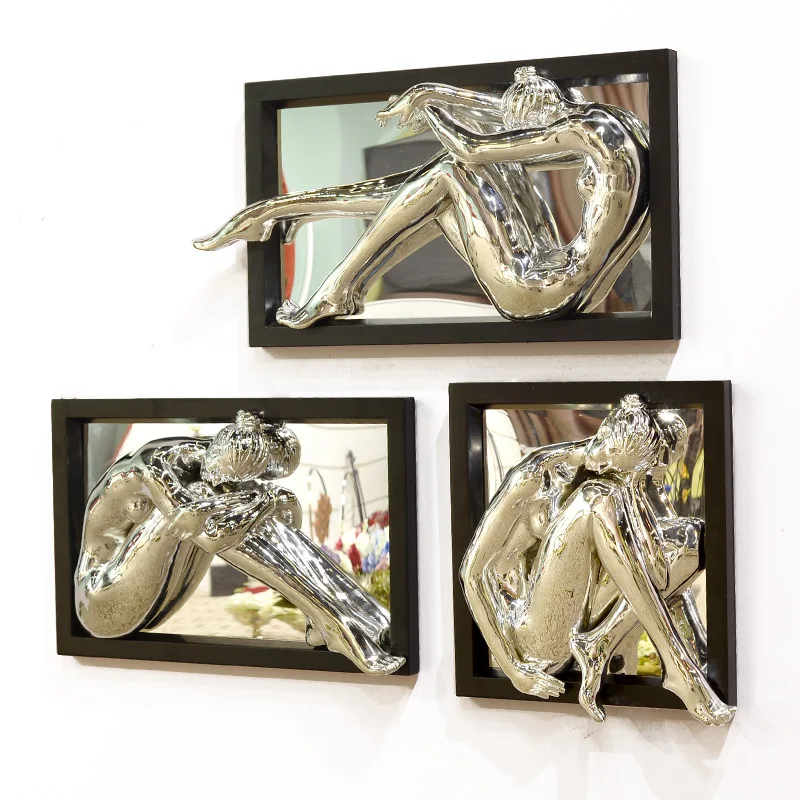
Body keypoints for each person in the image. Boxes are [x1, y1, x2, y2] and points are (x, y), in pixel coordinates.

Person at [194, 67, 650, 328]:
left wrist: (431, 108)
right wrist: (430, 91)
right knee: (442, 187)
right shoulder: (616, 130)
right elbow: (501, 122)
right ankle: (291, 214)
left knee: (453, 170)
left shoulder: (588, 132)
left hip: (537, 292)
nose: (519, 137)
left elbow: (472, 148)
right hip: (567, 286)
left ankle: (337, 285)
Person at [460, 396, 734, 725]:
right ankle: (678, 670)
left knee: (691, 539)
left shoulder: (622, 477)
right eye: (607, 457)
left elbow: (658, 574)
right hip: (531, 640)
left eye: (633, 475)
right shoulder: (535, 476)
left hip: (578, 615)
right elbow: (470, 574)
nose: (605, 468)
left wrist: (637, 495)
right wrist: (514, 670)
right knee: (597, 497)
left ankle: (602, 642)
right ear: (603, 436)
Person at [75, 411, 403, 675]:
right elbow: (209, 531)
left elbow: (290, 516)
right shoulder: (158, 467)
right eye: (241, 479)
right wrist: (265, 501)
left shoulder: (216, 464)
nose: (244, 484)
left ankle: (353, 611)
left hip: (157, 599)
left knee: (227, 509)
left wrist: (260, 501)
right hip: (100, 600)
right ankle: (332, 621)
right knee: (210, 508)